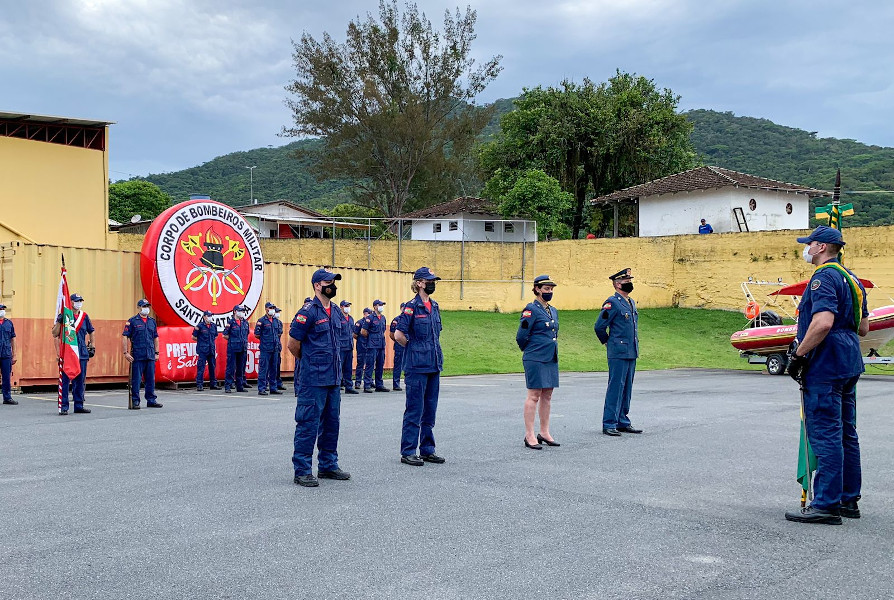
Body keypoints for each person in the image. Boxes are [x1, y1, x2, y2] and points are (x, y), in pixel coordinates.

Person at [784, 225, 869, 525]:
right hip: (848, 360)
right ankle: (848, 499)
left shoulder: (823, 277)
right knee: (847, 432)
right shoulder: (853, 280)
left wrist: (798, 355)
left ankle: (827, 504)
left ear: (821, 247)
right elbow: (863, 328)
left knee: (826, 433)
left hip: (826, 363)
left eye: (809, 244)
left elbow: (821, 322)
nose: (805, 248)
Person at [288, 268, 351, 487]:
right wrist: (309, 362)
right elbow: (293, 344)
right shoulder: (308, 311)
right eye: (328, 282)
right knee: (308, 423)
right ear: (317, 285)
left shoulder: (335, 310)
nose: (332, 285)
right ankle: (302, 470)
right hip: (313, 379)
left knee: (332, 423)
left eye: (334, 282)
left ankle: (328, 465)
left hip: (333, 378)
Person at [394, 267, 445, 466]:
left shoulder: (435, 305)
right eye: (430, 281)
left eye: (434, 280)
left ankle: (427, 449)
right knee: (415, 409)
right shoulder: (411, 307)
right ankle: (408, 451)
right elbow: (399, 334)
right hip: (416, 365)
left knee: (430, 409)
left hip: (433, 364)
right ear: (419, 283)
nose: (433, 284)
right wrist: (414, 348)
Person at [594, 268, 642, 436]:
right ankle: (609, 423)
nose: (629, 283)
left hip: (631, 350)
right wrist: (607, 342)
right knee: (616, 386)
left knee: (627, 387)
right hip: (618, 351)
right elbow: (599, 326)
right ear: (617, 284)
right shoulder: (612, 302)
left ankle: (622, 420)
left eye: (630, 280)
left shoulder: (631, 302)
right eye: (626, 281)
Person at [517, 275, 560, 449]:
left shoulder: (553, 310)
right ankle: (529, 435)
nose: (549, 292)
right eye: (546, 289)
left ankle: (544, 432)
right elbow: (521, 336)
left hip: (550, 357)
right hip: (535, 357)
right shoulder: (531, 310)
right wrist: (532, 350)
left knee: (547, 395)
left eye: (551, 289)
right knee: (534, 395)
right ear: (537, 289)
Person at [52, 293, 95, 414]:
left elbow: (91, 331)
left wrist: (92, 346)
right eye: (77, 301)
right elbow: (55, 334)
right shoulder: (65, 316)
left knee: (80, 381)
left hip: (81, 353)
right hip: (68, 353)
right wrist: (59, 322)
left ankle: (79, 405)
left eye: (81, 301)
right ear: (70, 302)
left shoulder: (84, 316)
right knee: (65, 381)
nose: (79, 303)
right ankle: (64, 407)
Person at [122, 298, 163, 409]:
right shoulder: (132, 321)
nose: (146, 309)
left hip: (150, 354)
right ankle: (136, 401)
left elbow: (156, 338)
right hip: (137, 355)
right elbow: (125, 336)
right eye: (144, 307)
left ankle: (151, 400)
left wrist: (157, 352)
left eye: (147, 307)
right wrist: (125, 352)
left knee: (150, 379)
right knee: (136, 380)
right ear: (139, 308)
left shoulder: (151, 321)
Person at [361, 300, 390, 393]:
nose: (381, 306)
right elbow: (363, 331)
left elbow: (383, 330)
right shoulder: (370, 318)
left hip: (381, 344)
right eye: (380, 305)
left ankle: (379, 384)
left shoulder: (383, 318)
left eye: (382, 305)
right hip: (372, 345)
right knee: (370, 365)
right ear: (374, 307)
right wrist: (371, 338)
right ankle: (367, 385)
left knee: (380, 364)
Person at [254, 301, 283, 396]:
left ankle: (273, 388)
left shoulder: (276, 321)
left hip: (275, 348)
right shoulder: (261, 321)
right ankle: (262, 388)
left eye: (273, 308)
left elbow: (279, 333)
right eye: (270, 308)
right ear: (266, 309)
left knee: (274, 369)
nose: (272, 310)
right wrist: (266, 340)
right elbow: (257, 334)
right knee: (263, 369)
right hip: (265, 348)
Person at [223, 304, 250, 393]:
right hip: (233, 348)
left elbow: (247, 334)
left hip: (242, 348)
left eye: (243, 311)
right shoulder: (230, 322)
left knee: (241, 368)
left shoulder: (245, 323)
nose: (242, 313)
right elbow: (225, 335)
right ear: (235, 311)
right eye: (240, 311)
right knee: (231, 367)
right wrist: (233, 340)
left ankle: (240, 386)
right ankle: (228, 385)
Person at [192, 310, 220, 391]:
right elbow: (193, 337)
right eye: (208, 316)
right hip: (202, 350)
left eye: (211, 316)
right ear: (204, 317)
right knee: (201, 367)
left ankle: (213, 384)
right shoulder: (199, 326)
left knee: (212, 367)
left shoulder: (213, 326)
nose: (210, 317)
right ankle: (199, 384)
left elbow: (215, 336)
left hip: (211, 349)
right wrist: (201, 341)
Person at [338, 300, 359, 394]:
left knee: (348, 368)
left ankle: (348, 386)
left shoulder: (350, 318)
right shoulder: (338, 318)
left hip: (349, 346)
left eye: (348, 306)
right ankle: (337, 385)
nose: (348, 308)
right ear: (341, 307)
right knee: (338, 367)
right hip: (341, 347)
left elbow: (353, 332)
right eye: (346, 306)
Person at [0, 303, 18, 406]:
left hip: (6, 354)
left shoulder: (9, 323)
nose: (2, 310)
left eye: (3, 309)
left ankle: (7, 397)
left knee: (6, 377)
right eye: (0, 309)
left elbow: (13, 339)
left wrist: (14, 354)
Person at [389, 304, 406, 391]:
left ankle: (409, 383)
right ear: (400, 309)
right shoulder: (396, 320)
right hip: (399, 345)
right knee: (398, 365)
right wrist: (398, 340)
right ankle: (396, 384)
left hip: (408, 344)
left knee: (408, 364)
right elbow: (392, 334)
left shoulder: (410, 319)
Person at [353, 307, 371, 389]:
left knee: (370, 364)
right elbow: (355, 334)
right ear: (364, 314)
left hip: (370, 345)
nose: (370, 315)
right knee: (360, 364)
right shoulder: (359, 323)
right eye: (368, 313)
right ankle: (358, 382)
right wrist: (361, 340)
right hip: (361, 346)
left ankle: (370, 381)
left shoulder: (371, 322)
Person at [273, 307, 286, 392]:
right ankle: (269, 384)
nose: (278, 313)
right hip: (269, 347)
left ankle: (278, 383)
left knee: (277, 366)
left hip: (277, 347)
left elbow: (279, 334)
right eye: (277, 312)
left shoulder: (279, 323)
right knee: (269, 367)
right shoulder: (265, 321)